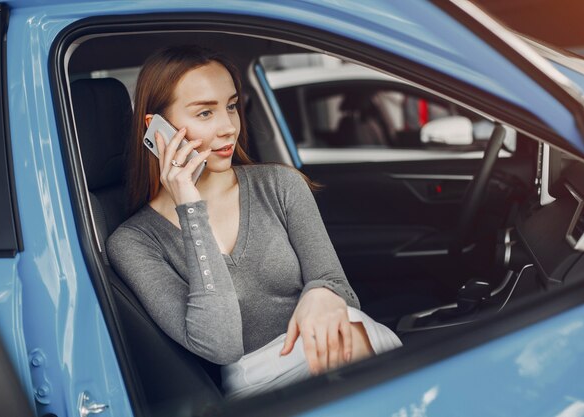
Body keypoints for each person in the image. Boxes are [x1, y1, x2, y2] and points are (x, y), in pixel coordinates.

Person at [106, 45, 401, 400]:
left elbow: (340, 288)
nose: (228, 127)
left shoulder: (280, 185)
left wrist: (322, 293)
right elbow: (221, 345)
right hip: (258, 388)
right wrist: (190, 207)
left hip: (342, 346)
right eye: (204, 113)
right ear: (157, 129)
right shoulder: (135, 242)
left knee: (348, 333)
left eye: (231, 106)